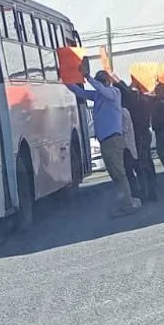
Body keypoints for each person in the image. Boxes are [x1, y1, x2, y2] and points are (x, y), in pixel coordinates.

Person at [66, 67, 140, 216]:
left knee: (119, 174)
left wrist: (89, 78)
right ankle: (127, 200)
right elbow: (80, 92)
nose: (99, 83)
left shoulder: (114, 93)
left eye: (101, 81)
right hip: (106, 141)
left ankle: (127, 203)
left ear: (107, 82)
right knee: (115, 173)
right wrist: (66, 81)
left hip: (113, 140)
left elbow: (103, 90)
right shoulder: (99, 96)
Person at [115, 79, 157, 202]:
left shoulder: (128, 102)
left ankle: (141, 193)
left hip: (136, 135)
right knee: (146, 163)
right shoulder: (143, 99)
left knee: (137, 165)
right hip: (144, 133)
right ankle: (151, 190)